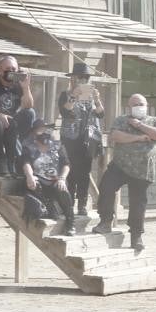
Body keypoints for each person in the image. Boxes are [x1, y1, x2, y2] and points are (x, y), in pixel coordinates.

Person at [93, 93, 156, 252]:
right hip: (120, 165)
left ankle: (136, 236)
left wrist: (139, 125)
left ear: (146, 105)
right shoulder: (121, 120)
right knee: (106, 187)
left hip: (142, 169)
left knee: (137, 203)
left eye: (141, 104)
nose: (138, 107)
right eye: (135, 104)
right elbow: (115, 136)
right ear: (129, 106)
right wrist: (140, 138)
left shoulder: (155, 121)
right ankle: (105, 221)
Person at [58, 62, 105, 216]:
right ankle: (69, 204)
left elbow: (100, 114)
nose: (83, 80)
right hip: (70, 139)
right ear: (73, 79)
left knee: (85, 172)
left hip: (87, 139)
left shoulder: (91, 96)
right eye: (79, 78)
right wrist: (74, 96)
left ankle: (82, 205)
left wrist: (97, 100)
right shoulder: (65, 95)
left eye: (85, 78)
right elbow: (66, 112)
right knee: (70, 172)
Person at [0, 55, 36, 176]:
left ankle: (16, 149)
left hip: (13, 123)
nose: (11, 71)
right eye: (7, 68)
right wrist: (0, 115)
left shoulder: (18, 85)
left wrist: (26, 87)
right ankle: (11, 158)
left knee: (30, 113)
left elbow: (28, 105)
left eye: (13, 69)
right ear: (0, 70)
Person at [20, 118, 75, 236]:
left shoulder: (58, 145)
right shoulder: (28, 146)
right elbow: (26, 162)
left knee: (62, 188)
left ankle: (71, 222)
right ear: (34, 132)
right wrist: (29, 176)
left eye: (46, 129)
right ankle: (51, 209)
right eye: (41, 129)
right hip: (39, 179)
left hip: (56, 179)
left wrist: (62, 178)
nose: (45, 132)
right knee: (33, 183)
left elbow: (66, 164)